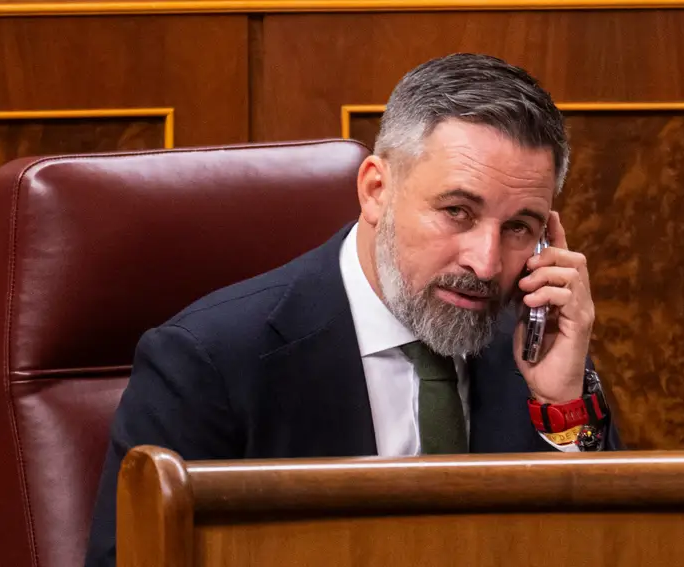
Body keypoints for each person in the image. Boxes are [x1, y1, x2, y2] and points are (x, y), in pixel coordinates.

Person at [83, 52, 623, 567]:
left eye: (518, 229)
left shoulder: (534, 350)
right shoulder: (209, 362)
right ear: (376, 190)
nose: (484, 264)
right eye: (457, 211)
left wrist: (562, 403)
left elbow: (612, 548)